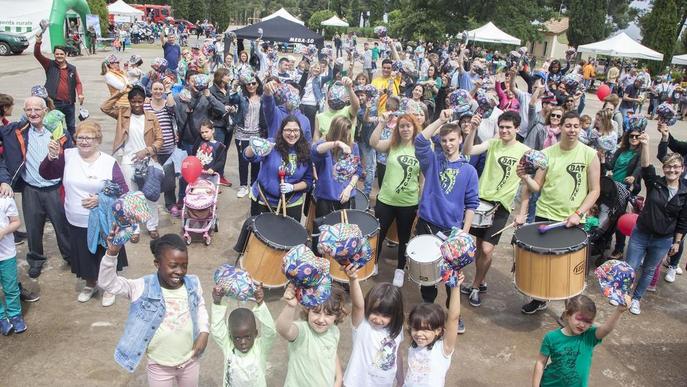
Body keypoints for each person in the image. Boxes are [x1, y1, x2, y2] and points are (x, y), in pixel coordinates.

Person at [98, 233, 210, 384]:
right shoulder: (142, 287)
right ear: (157, 263)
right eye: (173, 265)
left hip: (189, 361)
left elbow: (200, 307)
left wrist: (204, 332)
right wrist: (111, 254)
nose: (180, 271)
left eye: (184, 265)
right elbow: (108, 283)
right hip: (159, 366)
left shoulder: (193, 284)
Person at [518, 111, 601, 314]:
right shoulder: (547, 154)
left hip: (572, 219)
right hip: (545, 215)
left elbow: (595, 190)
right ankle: (539, 298)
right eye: (568, 125)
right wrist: (524, 178)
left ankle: (570, 309)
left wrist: (579, 213)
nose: (572, 130)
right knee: (542, 263)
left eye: (576, 126)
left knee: (569, 268)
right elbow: (537, 186)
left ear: (580, 128)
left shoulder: (589, 154)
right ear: (560, 127)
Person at [39, 120, 129, 306]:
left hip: (103, 220)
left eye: (89, 138)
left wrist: (100, 199)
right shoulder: (69, 156)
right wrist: (51, 156)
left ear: (98, 140)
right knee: (84, 255)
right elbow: (47, 174)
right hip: (76, 218)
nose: (84, 141)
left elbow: (122, 189)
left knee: (106, 253)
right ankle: (91, 283)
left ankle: (110, 286)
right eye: (80, 138)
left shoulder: (108, 162)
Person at [414, 110, 479, 326]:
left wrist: (465, 232)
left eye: (452, 139)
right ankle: (429, 309)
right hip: (427, 223)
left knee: (453, 278)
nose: (448, 144)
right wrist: (441, 120)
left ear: (461, 139)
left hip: (453, 231)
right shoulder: (432, 161)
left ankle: (454, 316)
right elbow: (420, 140)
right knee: (427, 274)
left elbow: (471, 204)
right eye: (443, 140)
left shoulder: (469, 170)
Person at [461, 111, 530, 307]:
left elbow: (526, 186)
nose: (504, 131)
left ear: (517, 128)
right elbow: (467, 150)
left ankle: (475, 285)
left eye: (509, 127)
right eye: (501, 127)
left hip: (501, 207)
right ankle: (480, 280)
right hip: (480, 201)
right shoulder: (492, 143)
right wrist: (473, 129)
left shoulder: (525, 152)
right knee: (478, 247)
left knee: (486, 248)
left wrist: (522, 212)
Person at [0, 97, 72, 279]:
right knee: (33, 228)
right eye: (29, 110)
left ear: (45, 111)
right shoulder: (15, 131)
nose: (33, 113)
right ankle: (36, 260)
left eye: (37, 110)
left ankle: (71, 257)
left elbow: (73, 158)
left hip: (55, 188)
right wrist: (4, 179)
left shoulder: (60, 132)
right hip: (30, 188)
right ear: (24, 112)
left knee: (62, 227)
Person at [623, 133, 687, 315]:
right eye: (668, 167)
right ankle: (625, 295)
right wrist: (645, 145)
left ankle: (636, 299)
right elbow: (646, 166)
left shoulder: (685, 192)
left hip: (663, 240)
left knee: (649, 270)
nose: (671, 170)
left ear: (682, 169)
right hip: (641, 234)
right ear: (664, 168)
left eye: (676, 167)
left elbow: (683, 220)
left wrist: (676, 242)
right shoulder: (655, 183)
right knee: (631, 266)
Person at [101, 85, 164, 241]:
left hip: (148, 160)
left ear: (144, 101)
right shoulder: (123, 114)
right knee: (131, 197)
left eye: (140, 101)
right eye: (133, 101)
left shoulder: (151, 117)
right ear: (129, 101)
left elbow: (160, 140)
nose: (137, 104)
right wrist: (121, 92)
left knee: (151, 194)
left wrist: (147, 150)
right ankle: (134, 229)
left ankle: (152, 225)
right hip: (128, 161)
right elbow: (105, 107)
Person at [369, 112, 422, 287]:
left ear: (414, 128)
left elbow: (423, 178)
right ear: (397, 129)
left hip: (408, 203)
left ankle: (400, 269)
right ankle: (373, 263)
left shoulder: (420, 147)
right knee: (379, 234)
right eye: (402, 126)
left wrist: (421, 201)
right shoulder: (393, 145)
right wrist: (382, 123)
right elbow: (373, 143)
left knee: (404, 238)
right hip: (385, 200)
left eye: (408, 125)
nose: (405, 129)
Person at [532, 295, 626, 387]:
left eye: (588, 321)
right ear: (567, 314)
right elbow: (540, 362)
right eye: (579, 318)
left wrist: (619, 311)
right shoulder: (551, 337)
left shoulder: (589, 337)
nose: (582, 324)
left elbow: (606, 329)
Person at [343, 267, 405, 387]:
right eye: (375, 313)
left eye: (385, 315)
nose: (378, 319)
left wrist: (400, 379)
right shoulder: (363, 325)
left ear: (395, 315)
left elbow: (397, 354)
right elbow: (358, 305)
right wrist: (353, 279)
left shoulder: (396, 329)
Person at [276, 283, 347, 387]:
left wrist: (339, 377)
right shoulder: (302, 332)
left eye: (328, 314)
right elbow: (283, 329)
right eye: (316, 312)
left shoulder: (334, 331)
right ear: (308, 309)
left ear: (336, 315)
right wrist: (290, 306)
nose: (321, 319)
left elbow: (332, 353)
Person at [244, 116, 312, 220]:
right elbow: (250, 157)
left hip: (291, 203)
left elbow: (308, 181)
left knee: (288, 235)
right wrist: (253, 146)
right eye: (288, 130)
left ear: (300, 131)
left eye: (296, 130)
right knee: (259, 234)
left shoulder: (306, 151)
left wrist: (292, 187)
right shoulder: (271, 144)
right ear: (281, 131)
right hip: (263, 200)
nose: (292, 134)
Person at [404, 272, 463, 386]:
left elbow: (453, 318)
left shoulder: (442, 349)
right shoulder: (414, 345)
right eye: (415, 329)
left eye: (426, 330)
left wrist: (455, 287)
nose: (419, 334)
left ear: (438, 330)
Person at [211, 282, 274, 387]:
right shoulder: (229, 347)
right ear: (230, 337)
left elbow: (270, 331)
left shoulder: (260, 348)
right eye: (237, 338)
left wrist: (261, 304)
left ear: (255, 334)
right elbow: (217, 330)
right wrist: (217, 302)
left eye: (248, 337)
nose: (243, 342)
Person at [34, 34, 84, 136]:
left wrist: (80, 94)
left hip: (69, 103)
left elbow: (78, 83)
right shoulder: (49, 64)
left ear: (65, 54)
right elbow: (37, 55)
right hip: (54, 103)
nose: (59, 56)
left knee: (71, 126)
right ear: (54, 54)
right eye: (57, 54)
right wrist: (38, 42)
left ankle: (71, 146)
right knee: (56, 126)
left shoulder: (72, 68)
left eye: (61, 54)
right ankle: (58, 147)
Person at [311, 116, 361, 218]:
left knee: (345, 232)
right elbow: (315, 150)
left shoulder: (353, 146)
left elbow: (357, 170)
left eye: (348, 133)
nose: (346, 137)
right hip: (326, 197)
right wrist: (337, 143)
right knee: (324, 231)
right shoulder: (325, 145)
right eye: (343, 134)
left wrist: (349, 188)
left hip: (346, 196)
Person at [144, 81, 178, 214]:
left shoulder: (167, 104)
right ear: (151, 90)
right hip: (152, 149)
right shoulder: (146, 105)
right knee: (152, 179)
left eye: (160, 89)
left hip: (169, 148)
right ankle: (151, 205)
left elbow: (173, 108)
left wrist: (168, 90)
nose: (158, 91)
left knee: (170, 180)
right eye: (155, 89)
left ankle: (170, 204)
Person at [232, 73, 264, 199]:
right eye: (248, 83)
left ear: (258, 84)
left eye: (253, 83)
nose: (251, 86)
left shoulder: (262, 97)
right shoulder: (242, 96)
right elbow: (231, 99)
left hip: (257, 134)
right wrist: (234, 87)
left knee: (256, 162)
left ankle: (254, 185)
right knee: (243, 161)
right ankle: (243, 186)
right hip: (242, 134)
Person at [0, 194, 24, 335]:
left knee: (11, 287)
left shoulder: (5, 198)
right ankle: (1, 318)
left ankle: (15, 315)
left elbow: (16, 221)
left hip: (6, 253)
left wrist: (4, 231)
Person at [209, 68, 237, 187]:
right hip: (218, 125)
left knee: (224, 151)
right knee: (217, 151)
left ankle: (221, 174)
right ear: (220, 76)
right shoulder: (212, 91)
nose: (229, 77)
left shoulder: (228, 88)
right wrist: (223, 108)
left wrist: (233, 107)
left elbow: (233, 101)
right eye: (227, 75)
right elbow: (211, 106)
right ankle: (213, 175)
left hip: (228, 125)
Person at [314, 77, 360, 141]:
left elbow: (356, 106)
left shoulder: (348, 111)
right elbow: (315, 142)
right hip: (327, 150)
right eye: (333, 92)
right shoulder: (319, 117)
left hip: (346, 149)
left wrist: (349, 88)